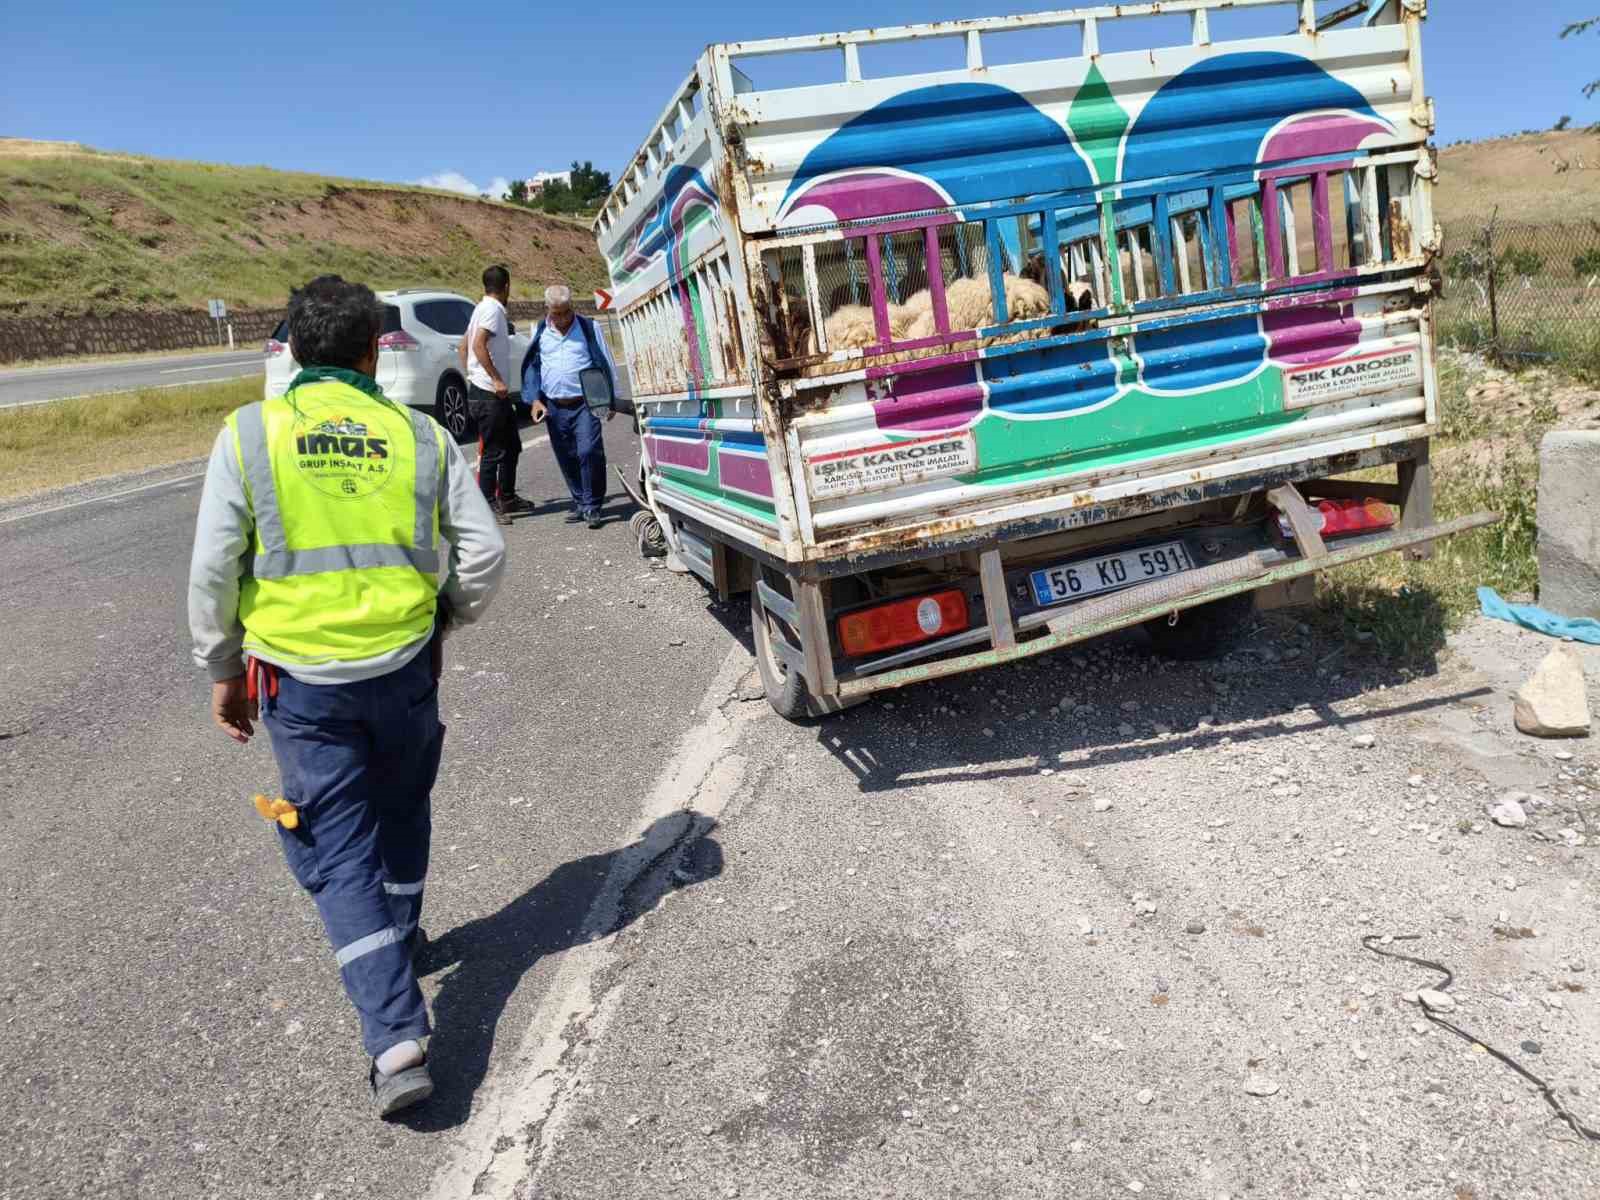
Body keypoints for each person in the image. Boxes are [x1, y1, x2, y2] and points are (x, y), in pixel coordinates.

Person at [187, 275, 507, 1117]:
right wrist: (443, 619)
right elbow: (483, 557)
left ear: (291, 350)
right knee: (402, 812)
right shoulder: (421, 436)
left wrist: (222, 669)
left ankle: (397, 1037)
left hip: (301, 687)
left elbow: (216, 568)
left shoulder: (249, 435)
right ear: (374, 351)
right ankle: (398, 942)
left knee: (339, 849)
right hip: (404, 673)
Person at [521, 284, 615, 529]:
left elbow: (606, 362)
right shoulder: (540, 330)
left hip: (585, 403)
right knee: (567, 456)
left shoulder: (588, 327)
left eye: (565, 312)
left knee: (588, 451)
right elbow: (533, 367)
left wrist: (612, 399)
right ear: (547, 309)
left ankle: (593, 505)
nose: (562, 318)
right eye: (556, 313)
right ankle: (581, 502)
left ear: (571, 307)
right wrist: (535, 400)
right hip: (554, 405)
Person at [463, 264, 535, 525]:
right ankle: (488, 503)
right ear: (506, 286)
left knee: (512, 446)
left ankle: (507, 497)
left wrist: (471, 373)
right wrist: (492, 378)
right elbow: (478, 344)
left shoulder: (480, 308)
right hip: (489, 393)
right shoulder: (492, 310)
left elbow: (464, 345)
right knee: (494, 451)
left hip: (488, 392)